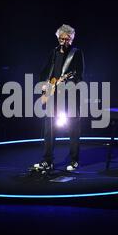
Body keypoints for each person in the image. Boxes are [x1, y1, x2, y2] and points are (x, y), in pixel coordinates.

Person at [31, 24, 84, 173]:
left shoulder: (76, 53)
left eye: (68, 39)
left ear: (71, 40)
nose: (65, 42)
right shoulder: (53, 52)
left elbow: (79, 75)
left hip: (70, 96)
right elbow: (44, 71)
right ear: (58, 38)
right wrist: (43, 85)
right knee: (49, 128)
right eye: (62, 39)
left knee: (73, 128)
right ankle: (47, 161)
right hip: (52, 95)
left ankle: (74, 160)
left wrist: (65, 82)